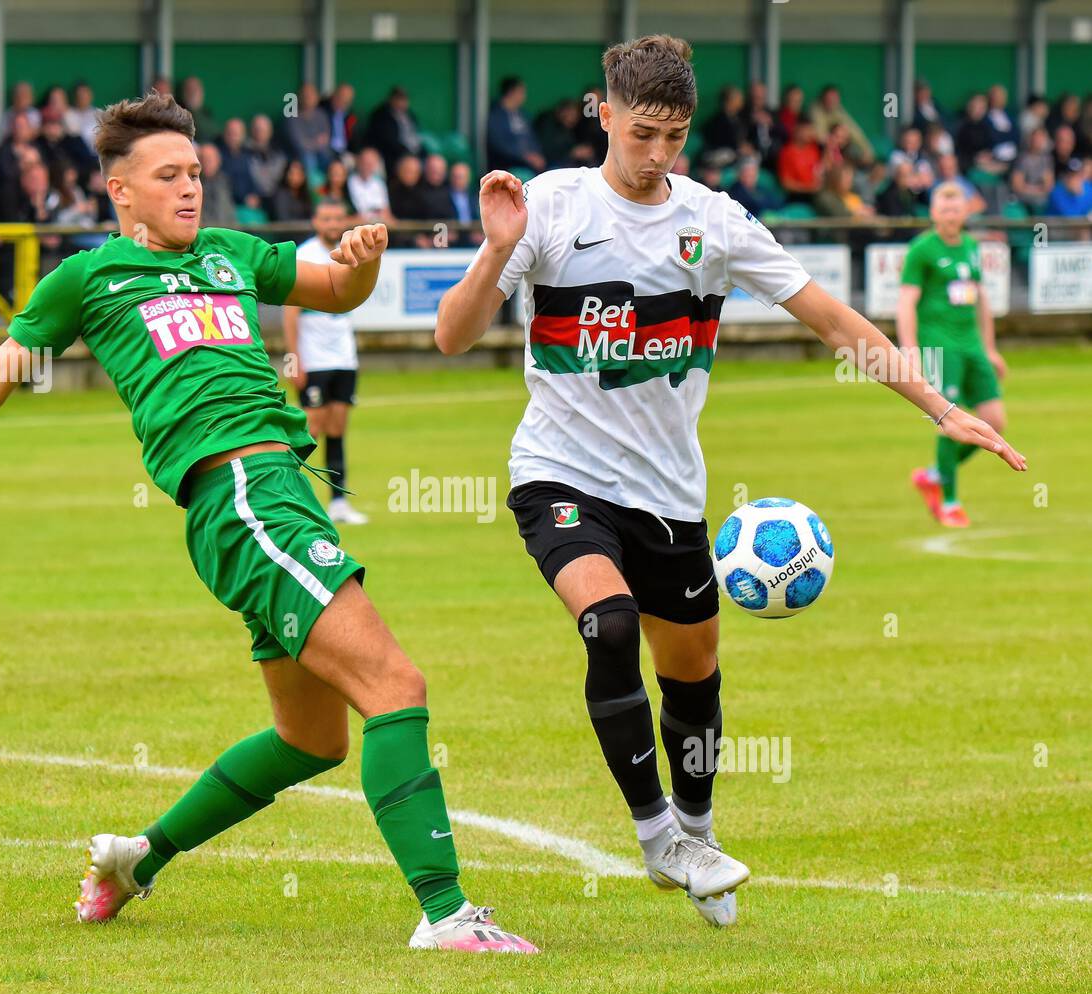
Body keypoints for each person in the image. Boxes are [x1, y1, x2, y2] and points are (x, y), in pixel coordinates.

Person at [0, 92, 537, 955]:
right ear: (119, 191)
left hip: (276, 494)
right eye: (168, 176)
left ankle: (139, 857)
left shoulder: (229, 252)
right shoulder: (91, 279)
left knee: (312, 737)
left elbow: (336, 291)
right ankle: (446, 915)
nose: (190, 189)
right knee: (395, 687)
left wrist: (363, 258)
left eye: (195, 172)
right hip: (243, 500)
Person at [434, 34, 1024, 927]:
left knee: (694, 673)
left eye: (675, 136)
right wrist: (494, 251)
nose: (658, 155)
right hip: (557, 474)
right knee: (609, 622)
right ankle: (657, 836)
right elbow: (452, 335)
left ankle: (698, 826)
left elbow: (830, 317)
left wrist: (939, 409)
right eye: (642, 134)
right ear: (604, 115)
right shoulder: (547, 206)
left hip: (670, 496)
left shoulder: (712, 220)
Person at [900, 182, 1010, 529]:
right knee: (949, 421)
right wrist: (911, 350)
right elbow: (906, 303)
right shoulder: (922, 250)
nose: (950, 214)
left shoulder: (971, 247)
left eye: (955, 208)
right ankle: (950, 502)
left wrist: (990, 348)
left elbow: (981, 300)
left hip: (972, 345)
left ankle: (935, 475)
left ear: (965, 212)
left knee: (996, 422)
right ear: (933, 212)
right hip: (940, 344)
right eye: (943, 208)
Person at [284, 199, 370, 525]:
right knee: (311, 427)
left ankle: (338, 502)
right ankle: (290, 498)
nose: (333, 223)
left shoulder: (350, 254)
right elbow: (290, 312)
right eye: (326, 217)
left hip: (343, 357)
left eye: (338, 217)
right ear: (316, 220)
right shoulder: (304, 255)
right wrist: (294, 361)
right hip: (314, 357)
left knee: (338, 426)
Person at [487, 77, 544, 174]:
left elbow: (532, 139)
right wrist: (525, 156)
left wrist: (537, 155)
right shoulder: (496, 115)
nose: (524, 96)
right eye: (521, 92)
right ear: (510, 92)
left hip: (529, 165)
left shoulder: (523, 115)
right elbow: (498, 145)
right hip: (508, 166)